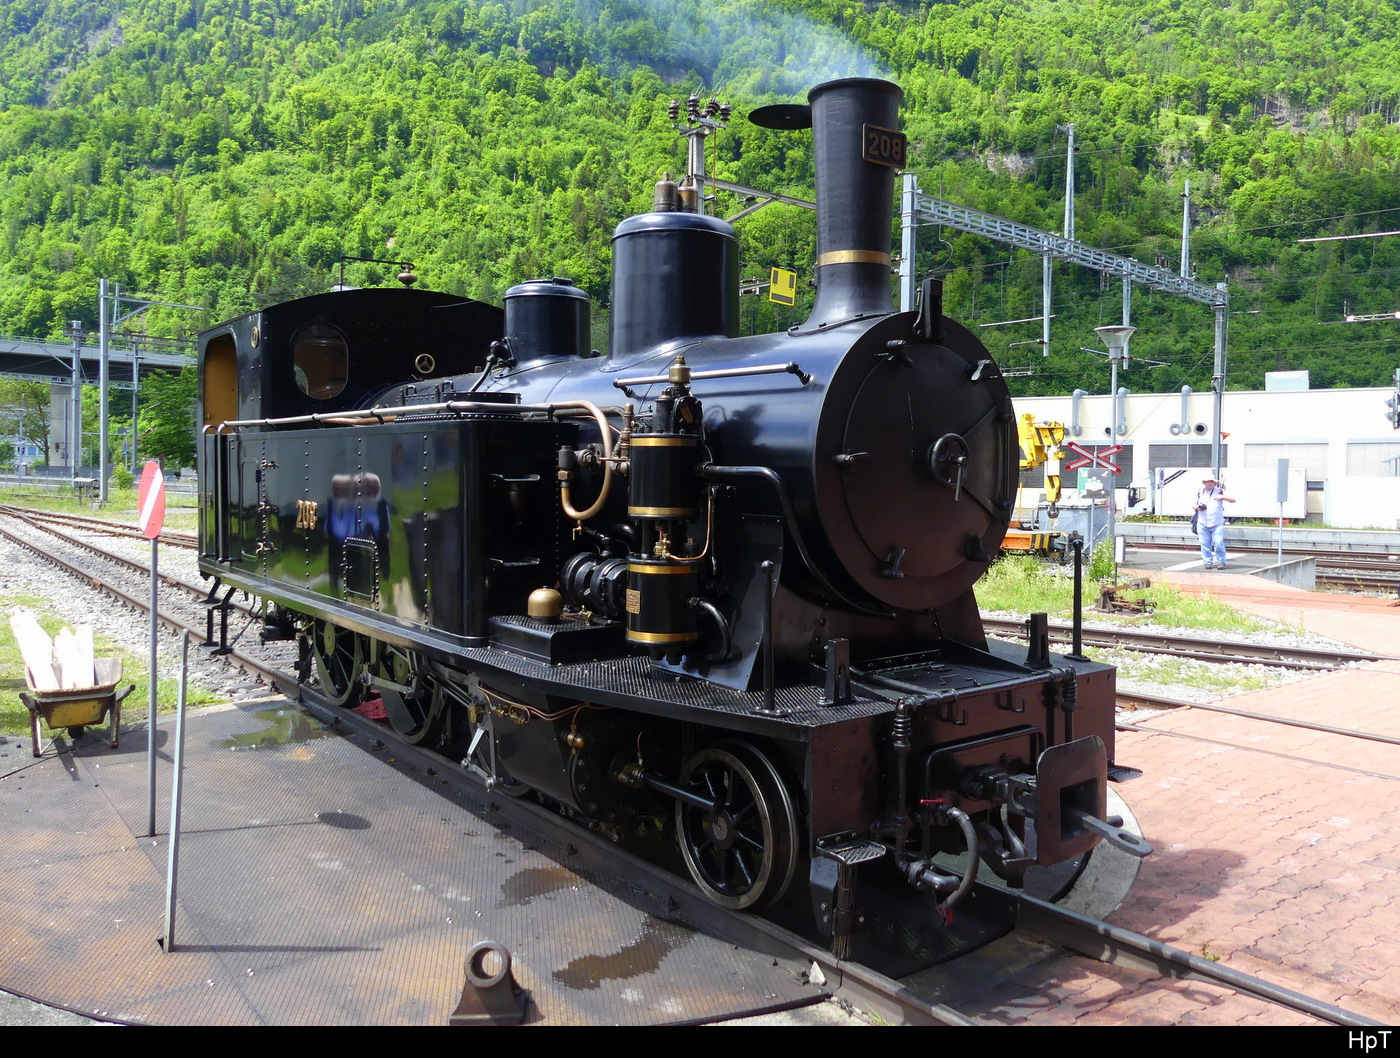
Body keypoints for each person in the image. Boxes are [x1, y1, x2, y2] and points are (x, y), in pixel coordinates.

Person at [1195, 474, 1235, 570]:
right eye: (1207, 481)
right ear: (1204, 483)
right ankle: (1207, 562)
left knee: (1218, 542)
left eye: (1211, 482)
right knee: (1204, 543)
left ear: (1214, 483)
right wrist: (1197, 507)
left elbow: (1233, 500)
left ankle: (1221, 561)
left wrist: (1223, 497)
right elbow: (1193, 504)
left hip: (1216, 522)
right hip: (1202, 522)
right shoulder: (1200, 491)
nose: (1209, 483)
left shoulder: (1219, 491)